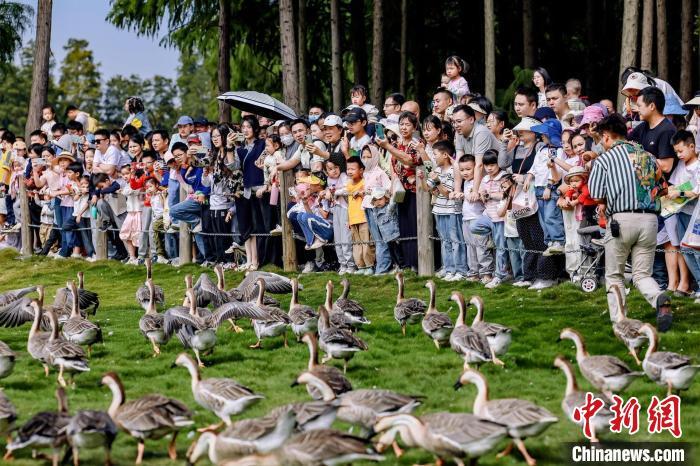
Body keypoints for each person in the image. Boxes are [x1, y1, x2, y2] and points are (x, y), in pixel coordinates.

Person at [588, 114, 672, 331]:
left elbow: (596, 195)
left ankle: (620, 321)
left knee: (614, 274)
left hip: (621, 221)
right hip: (650, 221)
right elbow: (663, 188)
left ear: (606, 136)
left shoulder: (604, 160)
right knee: (642, 273)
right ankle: (659, 298)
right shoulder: (648, 157)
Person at [376, 111, 423, 270]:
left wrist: (387, 146)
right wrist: (394, 183)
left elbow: (409, 160)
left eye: (407, 124)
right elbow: (394, 165)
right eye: (401, 124)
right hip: (401, 191)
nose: (404, 128)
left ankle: (418, 263)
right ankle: (408, 263)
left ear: (415, 126)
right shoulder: (396, 144)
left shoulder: (416, 143)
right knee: (403, 227)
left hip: (416, 191)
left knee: (415, 226)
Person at [427, 140, 466, 281]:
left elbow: (448, 194)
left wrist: (437, 182)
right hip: (439, 209)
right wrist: (425, 180)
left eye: (435, 154)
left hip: (451, 210)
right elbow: (427, 189)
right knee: (445, 241)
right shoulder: (436, 170)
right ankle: (449, 269)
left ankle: (460, 270)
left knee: (456, 240)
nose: (433, 157)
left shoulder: (453, 170)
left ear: (445, 155)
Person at [526, 119, 566, 256]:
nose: (541, 135)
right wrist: (529, 176)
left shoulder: (557, 150)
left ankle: (558, 241)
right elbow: (535, 166)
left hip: (549, 188)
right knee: (543, 217)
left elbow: (556, 171)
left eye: (544, 133)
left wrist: (550, 186)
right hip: (538, 187)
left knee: (551, 215)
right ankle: (549, 241)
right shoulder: (542, 149)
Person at [669, 130, 699, 297]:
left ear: (692, 146)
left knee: (696, 250)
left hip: (695, 215)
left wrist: (679, 193)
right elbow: (674, 184)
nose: (678, 155)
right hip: (680, 212)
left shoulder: (698, 166)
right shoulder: (681, 165)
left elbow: (696, 192)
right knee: (685, 249)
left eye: (681, 151)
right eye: (676, 152)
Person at [472, 150, 509, 288]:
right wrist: (483, 195)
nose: (489, 168)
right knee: (474, 226)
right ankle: (490, 239)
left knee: (501, 248)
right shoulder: (485, 179)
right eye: (486, 165)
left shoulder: (504, 176)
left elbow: (505, 195)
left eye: (492, 164)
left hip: (500, 217)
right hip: (488, 215)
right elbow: (482, 193)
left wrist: (491, 195)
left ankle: (500, 275)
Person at [235, 115, 267, 271]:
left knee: (258, 226)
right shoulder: (239, 149)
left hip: (261, 189)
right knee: (247, 226)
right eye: (243, 127)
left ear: (255, 128)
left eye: (248, 127)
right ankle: (250, 260)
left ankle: (258, 260)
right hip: (246, 190)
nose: (245, 130)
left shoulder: (262, 144)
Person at [361, 144, 398, 275]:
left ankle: (382, 268)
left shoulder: (380, 172)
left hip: (379, 210)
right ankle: (382, 267)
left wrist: (376, 193)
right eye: (363, 156)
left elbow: (388, 189)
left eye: (368, 156)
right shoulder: (366, 173)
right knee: (377, 239)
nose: (366, 159)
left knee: (383, 239)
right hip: (368, 207)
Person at [453, 104, 500, 197]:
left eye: (458, 121)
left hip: (496, 178)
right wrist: (457, 191)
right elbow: (457, 162)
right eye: (453, 122)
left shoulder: (481, 132)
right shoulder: (459, 132)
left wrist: (475, 191)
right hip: (479, 177)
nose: (455, 125)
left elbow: (479, 164)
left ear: (471, 120)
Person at [324, 153, 355, 274]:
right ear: (326, 171)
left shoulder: (343, 176)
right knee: (337, 237)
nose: (334, 171)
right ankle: (342, 264)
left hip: (345, 207)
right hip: (335, 209)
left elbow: (347, 189)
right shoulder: (328, 179)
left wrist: (335, 192)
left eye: (336, 167)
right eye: (330, 169)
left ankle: (350, 264)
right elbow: (329, 193)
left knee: (346, 236)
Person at [458, 154, 488, 282]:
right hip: (466, 219)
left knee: (482, 246)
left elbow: (484, 197)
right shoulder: (465, 183)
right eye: (462, 170)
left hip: (478, 218)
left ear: (475, 168)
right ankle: (474, 272)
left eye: (468, 169)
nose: (465, 172)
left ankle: (486, 272)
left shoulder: (481, 181)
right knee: (470, 247)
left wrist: (479, 195)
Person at [344, 157, 375, 274]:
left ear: (361, 170)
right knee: (356, 244)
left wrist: (362, 193)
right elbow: (348, 204)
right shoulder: (348, 185)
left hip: (363, 217)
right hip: (353, 218)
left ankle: (370, 265)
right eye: (348, 169)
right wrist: (348, 219)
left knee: (366, 242)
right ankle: (360, 266)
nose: (350, 171)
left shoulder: (365, 182)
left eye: (353, 169)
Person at [119, 165, 144, 265]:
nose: (125, 176)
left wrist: (125, 191)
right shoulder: (127, 185)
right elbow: (127, 191)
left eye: (127, 173)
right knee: (126, 233)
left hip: (139, 211)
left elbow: (132, 191)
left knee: (139, 234)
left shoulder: (138, 183)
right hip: (130, 212)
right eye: (123, 174)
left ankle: (143, 257)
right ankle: (132, 256)